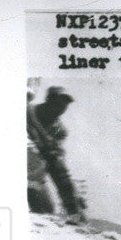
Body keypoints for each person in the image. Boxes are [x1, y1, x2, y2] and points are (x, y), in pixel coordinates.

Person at [27, 86, 86, 221]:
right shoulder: (28, 112)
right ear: (49, 100)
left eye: (65, 105)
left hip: (35, 173)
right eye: (58, 103)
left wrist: (72, 199)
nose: (62, 108)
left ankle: (74, 212)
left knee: (46, 209)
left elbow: (56, 160)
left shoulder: (60, 130)